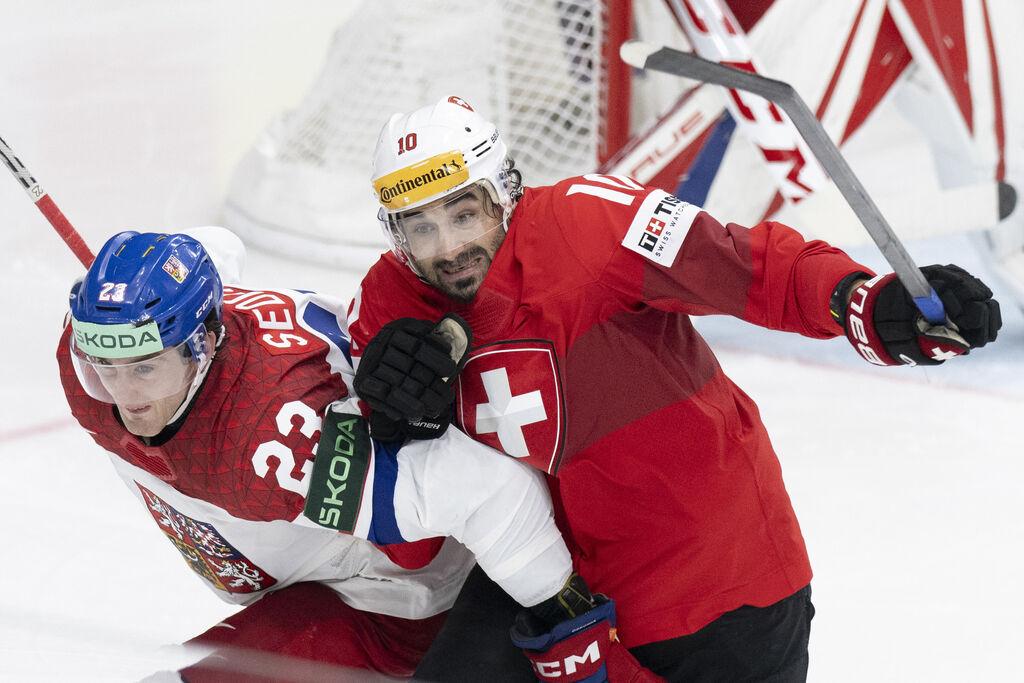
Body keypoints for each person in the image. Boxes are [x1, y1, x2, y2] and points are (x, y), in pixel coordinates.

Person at [347, 96, 1002, 681]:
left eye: (464, 214)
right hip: (544, 580)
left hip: (712, 575)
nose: (448, 249)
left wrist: (864, 301)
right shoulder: (385, 305)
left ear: (504, 192)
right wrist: (396, 429)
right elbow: (410, 537)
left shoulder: (589, 223)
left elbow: (747, 266)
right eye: (420, 227)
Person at [56, 227, 653, 681]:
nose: (123, 395)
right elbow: (215, 247)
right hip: (319, 561)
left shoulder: (274, 448)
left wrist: (566, 619)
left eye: (145, 368)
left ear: (205, 342)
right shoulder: (99, 340)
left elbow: (493, 492)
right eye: (103, 364)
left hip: (389, 607)